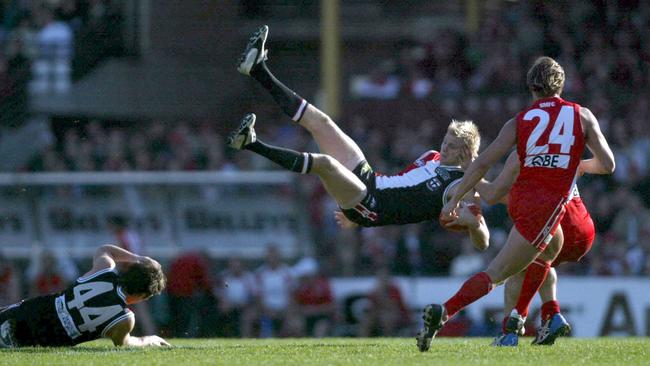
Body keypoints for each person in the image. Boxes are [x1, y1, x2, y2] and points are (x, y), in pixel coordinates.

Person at [416, 56, 615, 352]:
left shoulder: (521, 127)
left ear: (531, 88)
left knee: (505, 273)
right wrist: (577, 166)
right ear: (561, 85)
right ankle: (551, 314)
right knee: (534, 260)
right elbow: (608, 164)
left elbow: (487, 173)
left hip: (547, 213)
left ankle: (495, 324)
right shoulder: (581, 116)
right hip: (572, 220)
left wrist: (456, 195)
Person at [229, 25, 489, 250]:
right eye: (445, 140)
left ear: (465, 154)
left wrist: (475, 226)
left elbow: (483, 240)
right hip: (369, 182)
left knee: (325, 164)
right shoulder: (432, 156)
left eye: (452, 146)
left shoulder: (461, 185)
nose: (444, 147)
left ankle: (251, 143)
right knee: (322, 122)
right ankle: (257, 69)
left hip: (370, 203)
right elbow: (404, 192)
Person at [467, 151, 601, 345]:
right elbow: (606, 164)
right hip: (583, 227)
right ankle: (552, 315)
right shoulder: (560, 148)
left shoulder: (523, 153)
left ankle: (509, 332)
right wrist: (581, 165)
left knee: (516, 269)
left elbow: (492, 194)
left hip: (558, 224)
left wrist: (470, 172)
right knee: (542, 263)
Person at [0, 245, 168, 348]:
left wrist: (137, 258)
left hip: (32, 310)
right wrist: (149, 339)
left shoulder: (103, 270)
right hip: (41, 337)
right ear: (143, 296)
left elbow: (104, 249)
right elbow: (125, 344)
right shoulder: (124, 318)